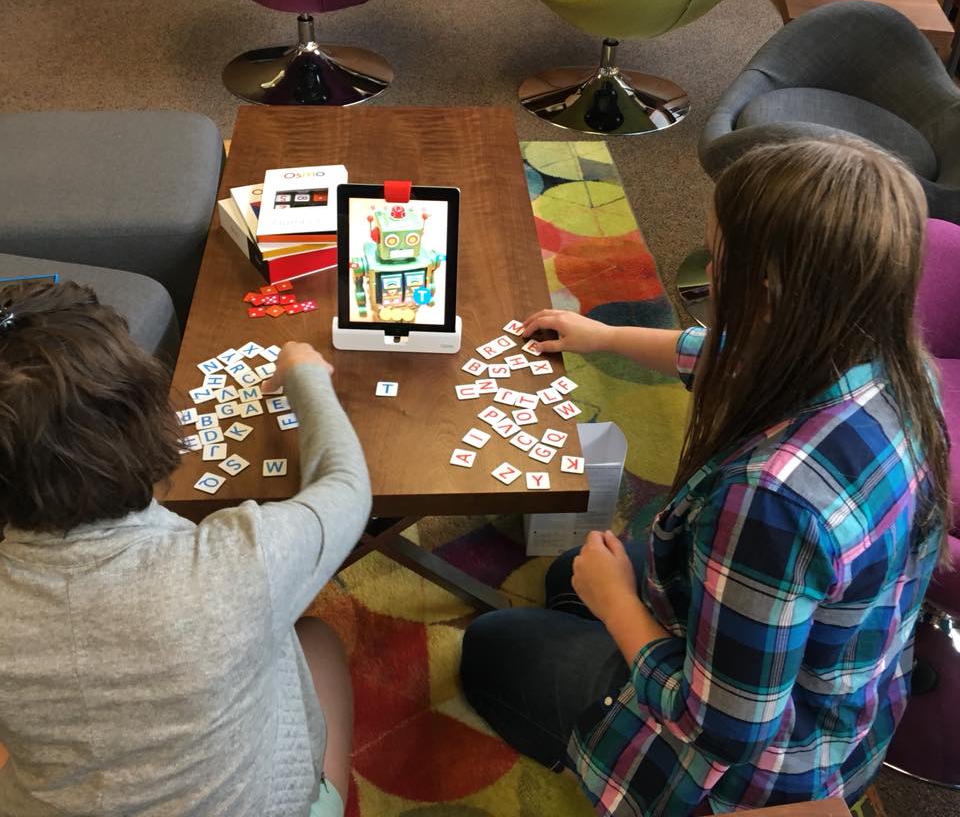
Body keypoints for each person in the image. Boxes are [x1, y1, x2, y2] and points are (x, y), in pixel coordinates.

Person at [460, 138, 951, 816]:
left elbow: (726, 729)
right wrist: (600, 336)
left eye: (718, 264)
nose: (710, 281)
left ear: (770, 296)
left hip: (755, 771)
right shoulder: (892, 362)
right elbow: (728, 353)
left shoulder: (770, 502)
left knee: (493, 647)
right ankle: (604, 616)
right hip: (840, 693)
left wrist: (618, 607)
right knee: (564, 573)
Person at [0, 281, 371, 817]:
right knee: (316, 639)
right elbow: (346, 489)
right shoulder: (240, 563)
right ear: (144, 418)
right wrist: (306, 377)